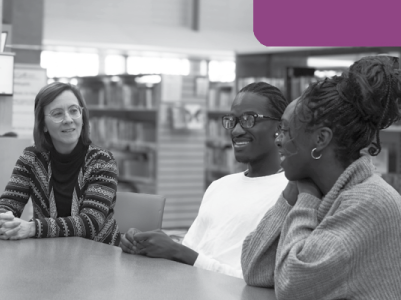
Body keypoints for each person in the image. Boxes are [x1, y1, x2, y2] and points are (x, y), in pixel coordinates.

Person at [240, 56, 401, 299]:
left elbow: (291, 286)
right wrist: (290, 195)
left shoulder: (371, 202)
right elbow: (255, 270)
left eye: (285, 130)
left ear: (321, 139)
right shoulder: (324, 189)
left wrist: (304, 200)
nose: (278, 140)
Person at [118, 82, 289, 278]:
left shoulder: (288, 193)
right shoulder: (220, 186)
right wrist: (147, 244)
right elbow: (192, 249)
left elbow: (255, 281)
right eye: (232, 121)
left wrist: (178, 252)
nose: (235, 131)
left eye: (248, 119)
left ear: (279, 127)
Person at [0, 82, 120, 245]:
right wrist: (3, 220)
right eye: (57, 114)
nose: (68, 120)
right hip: (49, 254)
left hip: (97, 257)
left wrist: (32, 228)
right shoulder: (31, 158)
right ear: (43, 124)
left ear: (83, 116)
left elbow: (90, 223)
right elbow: (6, 204)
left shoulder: (102, 161)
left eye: (74, 111)